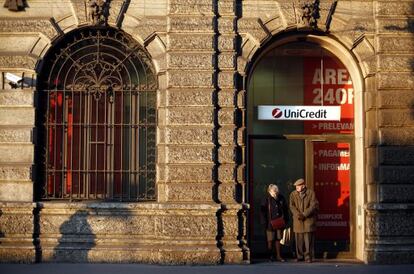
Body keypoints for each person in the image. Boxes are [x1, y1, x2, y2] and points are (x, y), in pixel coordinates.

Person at [289, 178, 319, 263]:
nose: (296, 188)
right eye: (296, 186)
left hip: (308, 220)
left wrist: (304, 214)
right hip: (298, 220)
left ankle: (308, 257)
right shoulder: (293, 194)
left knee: (308, 240)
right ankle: (299, 256)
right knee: (298, 240)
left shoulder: (311, 193)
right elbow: (292, 206)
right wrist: (298, 214)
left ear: (303, 186)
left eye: (298, 186)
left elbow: (313, 205)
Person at [260, 184, 289, 262]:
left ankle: (278, 256)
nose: (275, 194)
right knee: (270, 240)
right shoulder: (266, 199)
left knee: (278, 239)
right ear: (269, 191)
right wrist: (264, 222)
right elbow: (262, 212)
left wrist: (286, 220)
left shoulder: (281, 197)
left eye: (276, 192)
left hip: (279, 222)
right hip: (269, 223)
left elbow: (285, 209)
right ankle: (270, 256)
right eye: (273, 192)